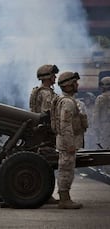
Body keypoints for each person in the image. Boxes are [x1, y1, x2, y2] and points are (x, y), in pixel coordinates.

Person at [52, 71, 87, 209]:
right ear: (68, 86)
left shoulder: (66, 100)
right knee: (66, 169)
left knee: (67, 168)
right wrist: (70, 144)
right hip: (68, 143)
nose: (77, 85)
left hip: (67, 142)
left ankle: (65, 198)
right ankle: (64, 200)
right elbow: (65, 125)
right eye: (74, 83)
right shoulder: (67, 102)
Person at [29, 64, 59, 204]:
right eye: (53, 75)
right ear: (47, 77)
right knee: (48, 163)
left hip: (39, 132)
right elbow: (47, 114)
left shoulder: (37, 91)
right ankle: (46, 194)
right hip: (46, 133)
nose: (55, 77)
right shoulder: (47, 93)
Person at [93, 76, 110, 149]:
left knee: (104, 148)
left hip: (104, 126)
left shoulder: (100, 98)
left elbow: (96, 115)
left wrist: (96, 128)